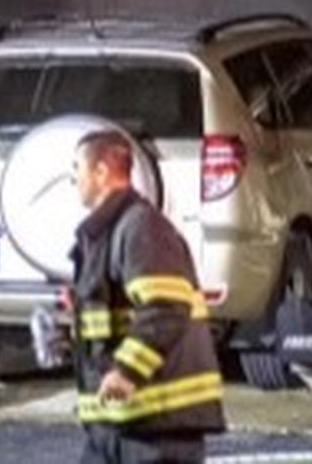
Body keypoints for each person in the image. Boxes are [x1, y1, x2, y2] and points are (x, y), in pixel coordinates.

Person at [70, 129, 224, 463]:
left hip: (157, 426)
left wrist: (127, 371)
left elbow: (166, 306)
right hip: (117, 423)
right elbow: (107, 317)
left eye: (76, 168)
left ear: (101, 171)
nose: (73, 180)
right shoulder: (106, 234)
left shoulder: (142, 228)